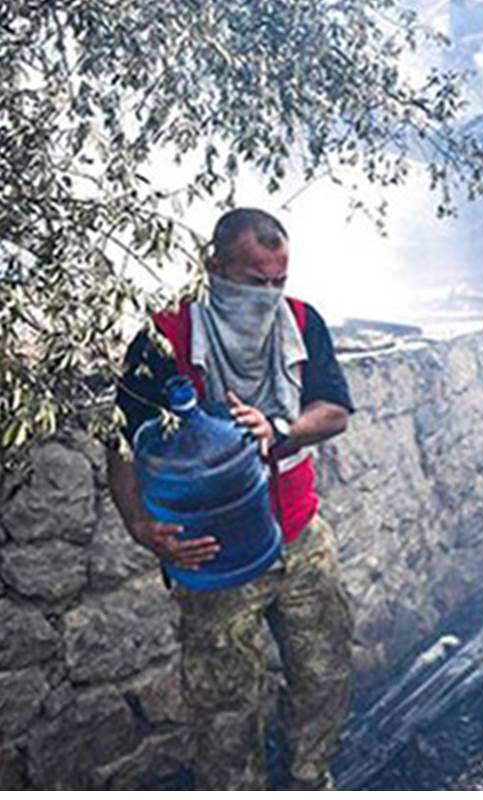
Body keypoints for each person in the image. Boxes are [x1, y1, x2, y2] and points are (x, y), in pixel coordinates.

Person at [106, 208, 354, 790]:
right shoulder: (163, 338)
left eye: (278, 281)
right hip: (212, 554)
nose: (268, 295)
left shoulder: (300, 322)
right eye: (252, 280)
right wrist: (142, 527)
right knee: (223, 706)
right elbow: (119, 446)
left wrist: (281, 429)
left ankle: (308, 776)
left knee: (324, 673)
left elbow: (334, 410)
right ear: (213, 268)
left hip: (298, 534)